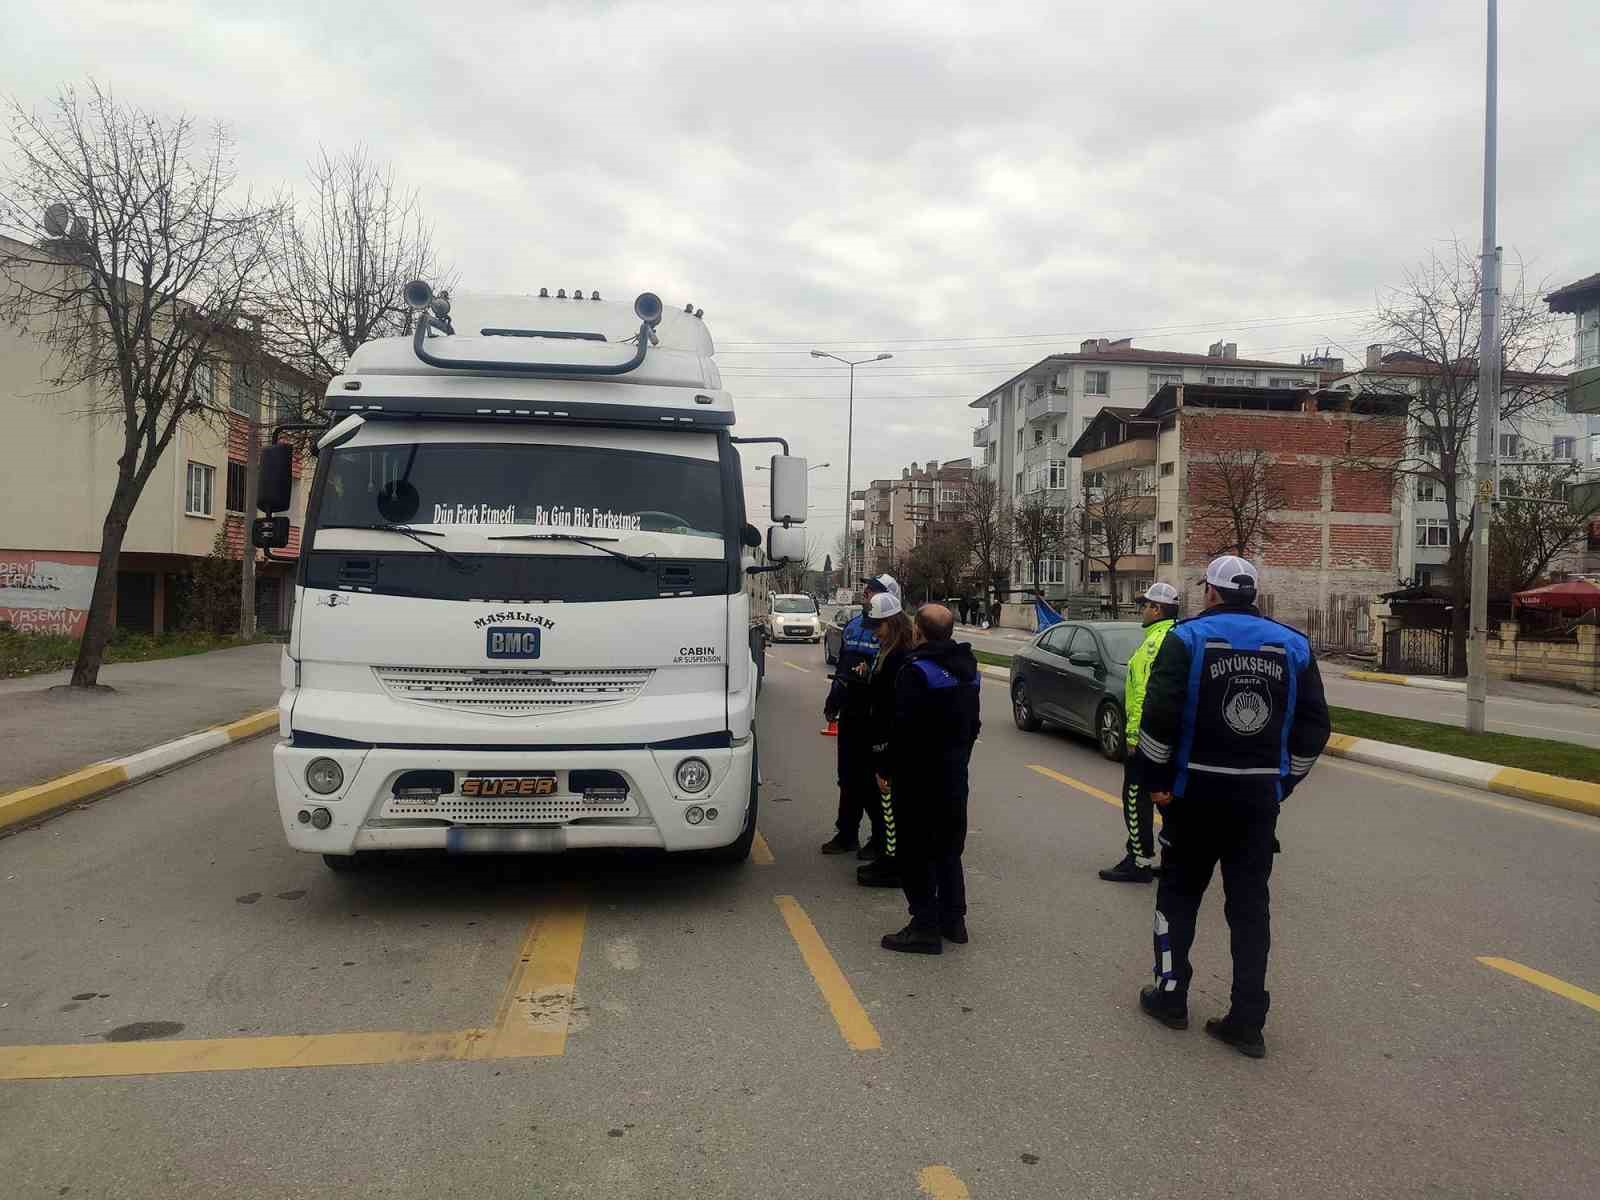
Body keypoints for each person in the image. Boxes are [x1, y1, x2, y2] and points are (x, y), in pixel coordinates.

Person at [1135, 556, 1330, 1058]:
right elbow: (1314, 730)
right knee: (1249, 910)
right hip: (1257, 803)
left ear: (1214, 593)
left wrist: (1157, 783)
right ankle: (1247, 1019)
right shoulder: (1294, 645)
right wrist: (1284, 783)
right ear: (1252, 594)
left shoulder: (1187, 639)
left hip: (1193, 797)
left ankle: (1171, 995)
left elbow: (1158, 720)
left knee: (1178, 896)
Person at [877, 603, 981, 953]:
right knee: (949, 849)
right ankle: (954, 920)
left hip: (918, 779)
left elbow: (902, 729)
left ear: (918, 632)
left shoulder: (916, 672)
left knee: (915, 853)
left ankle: (924, 926)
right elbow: (973, 725)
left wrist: (886, 769)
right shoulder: (969, 671)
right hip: (954, 776)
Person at [1098, 582, 1180, 884]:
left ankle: (1139, 859)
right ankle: (1173, 859)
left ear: (1157, 609)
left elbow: (1147, 696)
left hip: (1147, 740)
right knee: (1169, 800)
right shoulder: (1176, 636)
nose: (1141, 609)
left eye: (1144, 605)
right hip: (1172, 740)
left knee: (1135, 798)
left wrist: (1133, 740)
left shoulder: (1153, 643)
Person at [820, 574, 899, 858]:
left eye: (875, 590)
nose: (866, 592)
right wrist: (834, 700)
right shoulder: (853, 626)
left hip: (875, 714)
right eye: (867, 589)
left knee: (872, 779)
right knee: (847, 777)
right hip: (851, 712)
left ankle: (880, 837)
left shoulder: (896, 634)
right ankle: (847, 833)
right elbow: (843, 669)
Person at [858, 589, 918, 888]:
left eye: (878, 627)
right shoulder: (888, 652)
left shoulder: (900, 657)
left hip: (890, 743)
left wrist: (886, 758)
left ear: (893, 624)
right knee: (883, 806)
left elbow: (894, 709)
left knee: (889, 808)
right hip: (880, 738)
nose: (875, 634)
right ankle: (885, 856)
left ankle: (892, 865)